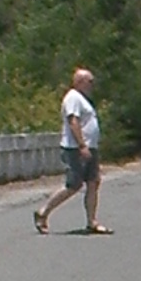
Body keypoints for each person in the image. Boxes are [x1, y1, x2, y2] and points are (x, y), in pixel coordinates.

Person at [35, 70, 107, 234]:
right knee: (73, 185)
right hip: (76, 148)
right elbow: (73, 121)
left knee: (93, 182)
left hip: (89, 147)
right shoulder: (73, 97)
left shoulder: (83, 99)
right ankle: (43, 211)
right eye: (90, 81)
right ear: (80, 81)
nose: (92, 85)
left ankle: (92, 221)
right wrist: (82, 145)